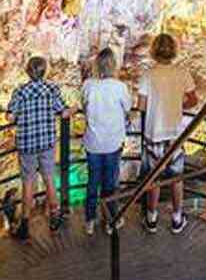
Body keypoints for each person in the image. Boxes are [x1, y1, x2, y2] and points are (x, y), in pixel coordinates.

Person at [137, 33, 198, 234]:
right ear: (174, 51)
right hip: (175, 134)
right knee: (176, 177)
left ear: (154, 51)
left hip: (154, 132)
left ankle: (152, 217)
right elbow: (193, 100)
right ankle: (177, 217)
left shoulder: (148, 74)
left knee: (154, 178)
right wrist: (177, 105)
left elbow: (142, 105)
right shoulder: (182, 72)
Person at [6, 55, 70, 239]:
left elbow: (10, 117)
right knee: (49, 178)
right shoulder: (51, 89)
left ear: (27, 71)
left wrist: (16, 117)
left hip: (27, 143)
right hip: (47, 142)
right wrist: (73, 109)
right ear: (45, 71)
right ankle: (55, 217)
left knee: (27, 182)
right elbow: (63, 112)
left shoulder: (20, 92)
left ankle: (25, 223)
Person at [82, 47, 132, 235]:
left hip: (93, 142)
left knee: (93, 181)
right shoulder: (119, 87)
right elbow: (128, 106)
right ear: (113, 65)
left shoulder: (88, 85)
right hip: (112, 142)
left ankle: (90, 220)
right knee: (110, 183)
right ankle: (111, 220)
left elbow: (84, 105)